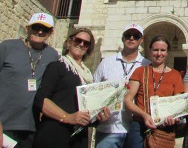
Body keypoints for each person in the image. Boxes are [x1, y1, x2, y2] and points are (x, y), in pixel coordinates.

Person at [32, 28, 110, 148]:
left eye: (86, 43)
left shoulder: (88, 76)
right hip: (55, 133)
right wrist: (68, 117)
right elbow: (41, 100)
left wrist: (99, 117)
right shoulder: (58, 66)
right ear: (69, 42)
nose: (81, 44)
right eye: (78, 40)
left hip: (78, 138)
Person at [0, 12, 59, 148]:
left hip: (32, 128)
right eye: (36, 27)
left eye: (44, 29)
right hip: (4, 123)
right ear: (27, 28)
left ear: (50, 33)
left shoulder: (52, 55)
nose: (39, 31)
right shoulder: (7, 47)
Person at [93, 23, 151, 147]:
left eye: (136, 36)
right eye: (128, 35)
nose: (131, 38)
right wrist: (96, 113)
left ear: (141, 40)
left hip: (136, 131)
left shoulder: (147, 65)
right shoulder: (106, 62)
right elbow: (94, 91)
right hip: (108, 129)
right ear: (123, 38)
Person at [124, 35, 184, 148]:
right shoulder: (140, 71)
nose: (159, 53)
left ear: (167, 52)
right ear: (150, 51)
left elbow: (177, 104)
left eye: (163, 50)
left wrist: (173, 117)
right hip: (140, 125)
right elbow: (127, 100)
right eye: (156, 50)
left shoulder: (175, 75)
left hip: (164, 127)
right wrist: (144, 115)